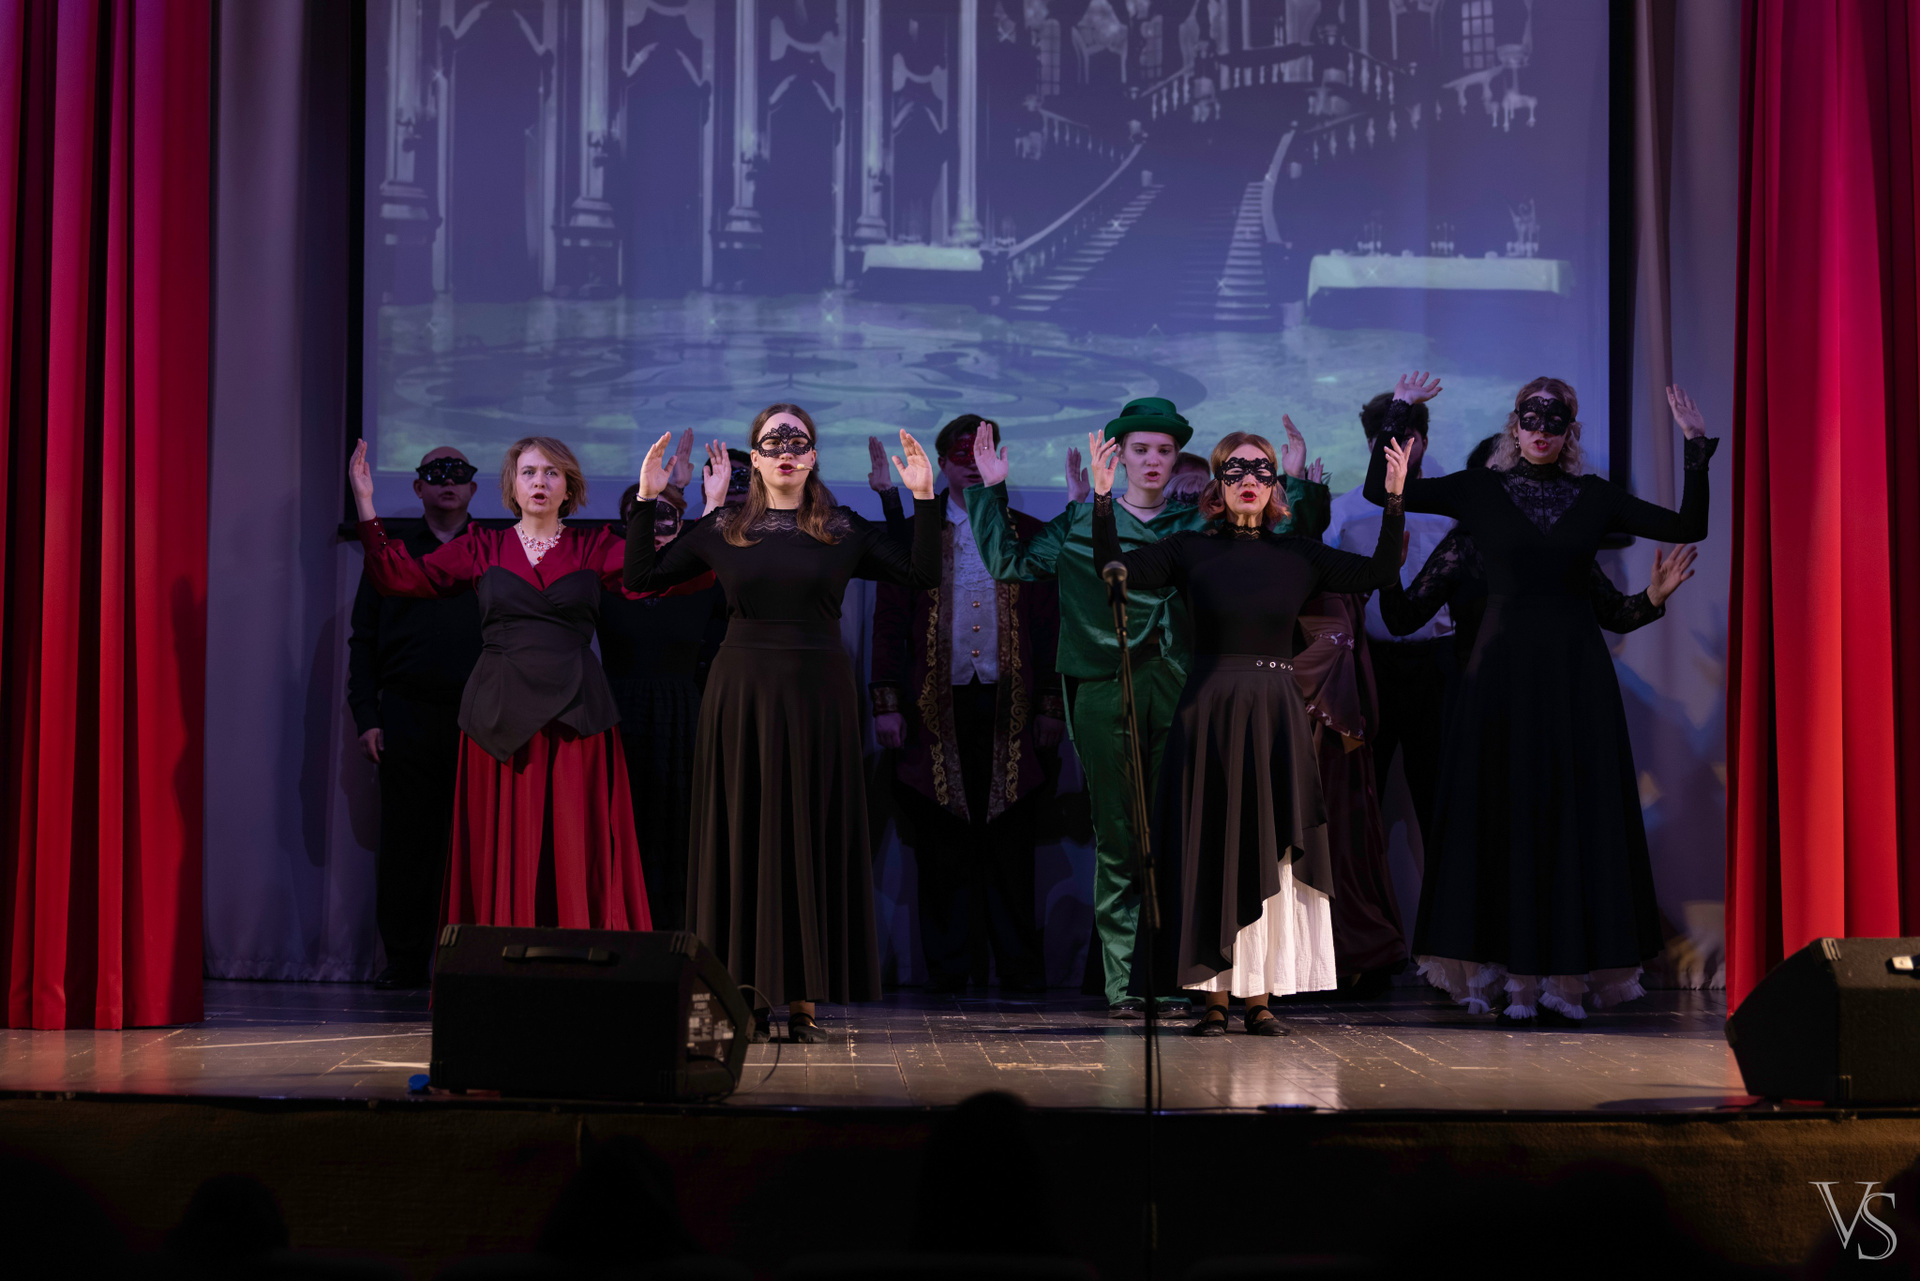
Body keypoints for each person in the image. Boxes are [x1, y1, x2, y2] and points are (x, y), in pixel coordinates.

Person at [1363, 374, 1718, 1023]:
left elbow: (1687, 525)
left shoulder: (1592, 499)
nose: (1542, 431)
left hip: (1575, 678)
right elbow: (1383, 491)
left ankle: (1563, 974)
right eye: (1532, 418)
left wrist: (1695, 447)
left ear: (1569, 429)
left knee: (1571, 818)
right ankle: (1509, 976)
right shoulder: (1479, 491)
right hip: (1499, 679)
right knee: (1500, 815)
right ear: (1515, 423)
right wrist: (1401, 411)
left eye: (1556, 421)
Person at [968, 399, 1327, 1016]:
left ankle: (1178, 974)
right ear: (1119, 457)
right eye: (1141, 450)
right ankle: (1125, 984)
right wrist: (992, 492)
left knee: (1181, 836)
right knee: (1119, 837)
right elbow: (1011, 562)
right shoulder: (1084, 520)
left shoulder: (1198, 528)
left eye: (1164, 450)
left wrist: (1292, 481)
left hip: (1188, 691)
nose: (1153, 461)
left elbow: (1286, 548)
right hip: (1105, 685)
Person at [623, 405, 941, 1043]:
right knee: (743, 833)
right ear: (758, 457)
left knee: (808, 834)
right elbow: (641, 578)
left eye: (798, 441)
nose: (786, 451)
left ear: (814, 456)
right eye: (773, 442)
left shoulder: (841, 528)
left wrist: (924, 500)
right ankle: (741, 995)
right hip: (741, 692)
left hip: (818, 693)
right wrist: (647, 498)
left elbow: (921, 573)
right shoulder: (723, 528)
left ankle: (803, 1003)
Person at [1090, 428, 1411, 1034]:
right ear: (1218, 484)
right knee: (1212, 846)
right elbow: (1115, 571)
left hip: (1275, 713)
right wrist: (1103, 501)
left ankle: (1260, 1001)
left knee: (1272, 845)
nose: (1248, 482)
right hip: (1209, 712)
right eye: (1235, 471)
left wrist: (1394, 500)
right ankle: (1214, 1002)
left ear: (1275, 487)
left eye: (1261, 472)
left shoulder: (1299, 555)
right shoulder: (1190, 549)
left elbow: (1379, 570)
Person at [348, 435, 671, 936]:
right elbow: (400, 578)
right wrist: (366, 504)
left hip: (576, 715)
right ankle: (498, 965)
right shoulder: (483, 545)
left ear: (569, 488)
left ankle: (581, 961)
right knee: (501, 851)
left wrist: (652, 497)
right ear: (512, 487)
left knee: (575, 844)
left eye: (552, 473)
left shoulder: (594, 545)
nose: (540, 482)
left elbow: (653, 575)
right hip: (499, 718)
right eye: (529, 473)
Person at [869, 414, 1066, 993]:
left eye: (981, 453)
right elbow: (889, 623)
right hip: (933, 709)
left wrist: (1051, 705)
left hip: (1013, 707)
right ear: (941, 464)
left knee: (1012, 844)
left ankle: (1019, 971)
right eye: (960, 455)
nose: (971, 465)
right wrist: (886, 703)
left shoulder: (1029, 534)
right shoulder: (916, 535)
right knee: (941, 844)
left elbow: (1052, 625)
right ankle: (949, 972)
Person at [347, 447, 485, 989]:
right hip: (406, 714)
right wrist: (367, 716)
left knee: (478, 842)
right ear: (418, 487)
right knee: (407, 843)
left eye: (459, 474)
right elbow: (363, 640)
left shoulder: (494, 550)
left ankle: (474, 959)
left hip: (480, 717)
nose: (448, 481)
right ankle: (404, 960)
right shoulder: (392, 553)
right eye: (435, 474)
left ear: (474, 488)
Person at [1379, 432, 1700, 661]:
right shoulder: (1463, 547)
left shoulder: (1560, 548)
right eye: (1496, 480)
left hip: (1555, 685)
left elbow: (1615, 615)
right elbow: (1402, 620)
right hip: (1484, 695)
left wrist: (1655, 594)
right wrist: (1389, 574)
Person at [1325, 391, 1455, 855]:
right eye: (1385, 439)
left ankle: (1443, 898)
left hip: (1437, 665)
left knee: (1440, 794)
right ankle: (1361, 898)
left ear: (1423, 441)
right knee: (1363, 793)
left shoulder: (1450, 508)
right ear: (1370, 444)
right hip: (1370, 665)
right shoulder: (1344, 512)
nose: (1396, 449)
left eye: (1407, 438)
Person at [596, 479, 727, 932]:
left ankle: (676, 933)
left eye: (666, 516)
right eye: (645, 516)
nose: (656, 527)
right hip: (618, 711)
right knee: (621, 824)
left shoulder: (705, 580)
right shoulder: (604, 580)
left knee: (678, 825)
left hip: (682, 714)